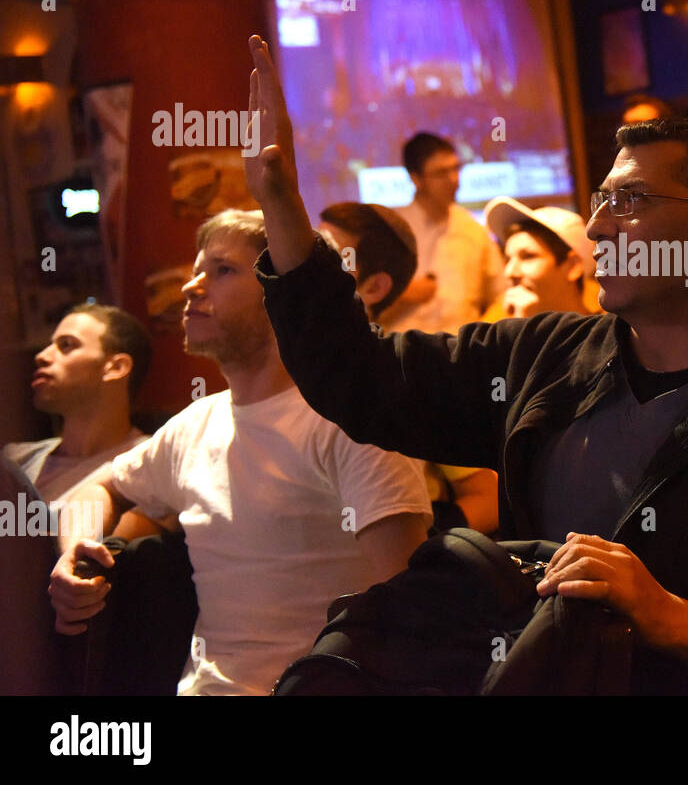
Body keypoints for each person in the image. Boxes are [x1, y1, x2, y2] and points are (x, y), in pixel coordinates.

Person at [244, 33, 688, 694]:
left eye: (631, 202)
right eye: (599, 202)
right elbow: (358, 377)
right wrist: (280, 203)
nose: (596, 229)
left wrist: (672, 616)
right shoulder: (543, 355)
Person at [48, 210, 433, 695]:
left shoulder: (349, 420)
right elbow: (96, 487)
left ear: (283, 290)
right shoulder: (195, 424)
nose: (191, 287)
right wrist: (74, 552)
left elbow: (411, 615)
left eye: (222, 270)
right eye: (195, 270)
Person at [317, 201, 499, 534]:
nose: (306, 264)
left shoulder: (409, 374)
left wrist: (422, 540)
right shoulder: (273, 369)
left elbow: (487, 496)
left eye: (327, 254)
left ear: (374, 287)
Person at [2, 302, 156, 694]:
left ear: (115, 367)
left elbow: (115, 556)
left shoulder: (145, 464)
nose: (42, 355)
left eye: (66, 345)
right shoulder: (16, 456)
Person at [383, 132, 506, 333]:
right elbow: (360, 301)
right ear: (416, 179)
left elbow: (502, 294)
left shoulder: (472, 228)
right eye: (441, 173)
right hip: (402, 358)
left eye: (456, 169)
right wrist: (400, 293)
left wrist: (479, 335)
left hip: (462, 356)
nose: (453, 180)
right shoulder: (390, 229)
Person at [482, 197, 599, 320]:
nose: (509, 272)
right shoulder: (500, 316)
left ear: (572, 266)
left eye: (528, 257)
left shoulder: (611, 328)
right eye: (507, 259)